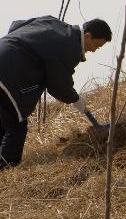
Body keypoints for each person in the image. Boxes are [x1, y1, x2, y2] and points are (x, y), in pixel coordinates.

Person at [0, 18, 111, 167]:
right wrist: (75, 98)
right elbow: (58, 83)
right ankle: (6, 166)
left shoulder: (53, 23)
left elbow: (16, 25)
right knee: (16, 123)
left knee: (4, 116)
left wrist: (16, 47)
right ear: (88, 36)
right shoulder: (69, 46)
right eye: (97, 46)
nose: (94, 50)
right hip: (8, 74)